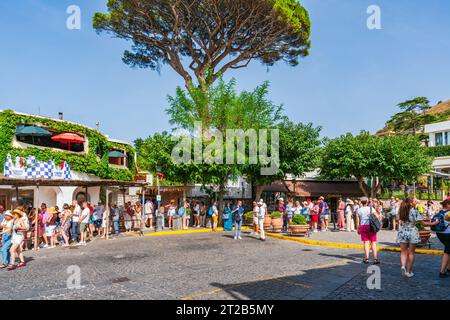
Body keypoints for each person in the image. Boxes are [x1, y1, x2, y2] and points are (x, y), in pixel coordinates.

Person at [397, 198, 438, 278]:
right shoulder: (415, 211)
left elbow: (400, 221)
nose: (415, 202)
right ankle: (409, 271)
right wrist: (434, 223)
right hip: (412, 231)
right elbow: (423, 224)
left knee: (403, 251)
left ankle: (403, 266)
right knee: (411, 253)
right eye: (414, 201)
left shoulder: (401, 211)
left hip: (403, 231)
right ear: (411, 203)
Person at [356, 197, 382, 264]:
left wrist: (358, 228)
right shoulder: (371, 208)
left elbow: (357, 221)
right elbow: (377, 216)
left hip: (363, 226)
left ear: (361, 202)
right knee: (373, 242)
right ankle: (375, 259)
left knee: (366, 243)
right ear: (367, 202)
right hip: (371, 226)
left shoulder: (358, 210)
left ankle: (366, 258)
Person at [432, 198, 450, 278]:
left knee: (448, 250)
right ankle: (442, 272)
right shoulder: (449, 213)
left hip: (440, 233)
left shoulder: (440, 211)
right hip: (447, 234)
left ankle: (449, 268)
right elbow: (447, 219)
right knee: (447, 251)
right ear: (448, 204)